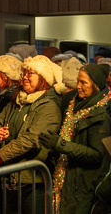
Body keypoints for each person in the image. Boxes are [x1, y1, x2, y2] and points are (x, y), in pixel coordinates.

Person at [0, 55, 64, 213]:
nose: (25, 78)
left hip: (33, 182)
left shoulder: (48, 107)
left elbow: (31, 139)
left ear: (43, 78)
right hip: (11, 178)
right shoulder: (17, 101)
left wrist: (0, 155)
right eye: (25, 73)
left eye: (31, 74)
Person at [45, 64, 111, 213]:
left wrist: (60, 144)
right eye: (78, 81)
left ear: (95, 85)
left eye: (83, 82)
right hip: (67, 178)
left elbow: (96, 154)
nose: (78, 86)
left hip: (83, 186)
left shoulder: (100, 115)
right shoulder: (73, 105)